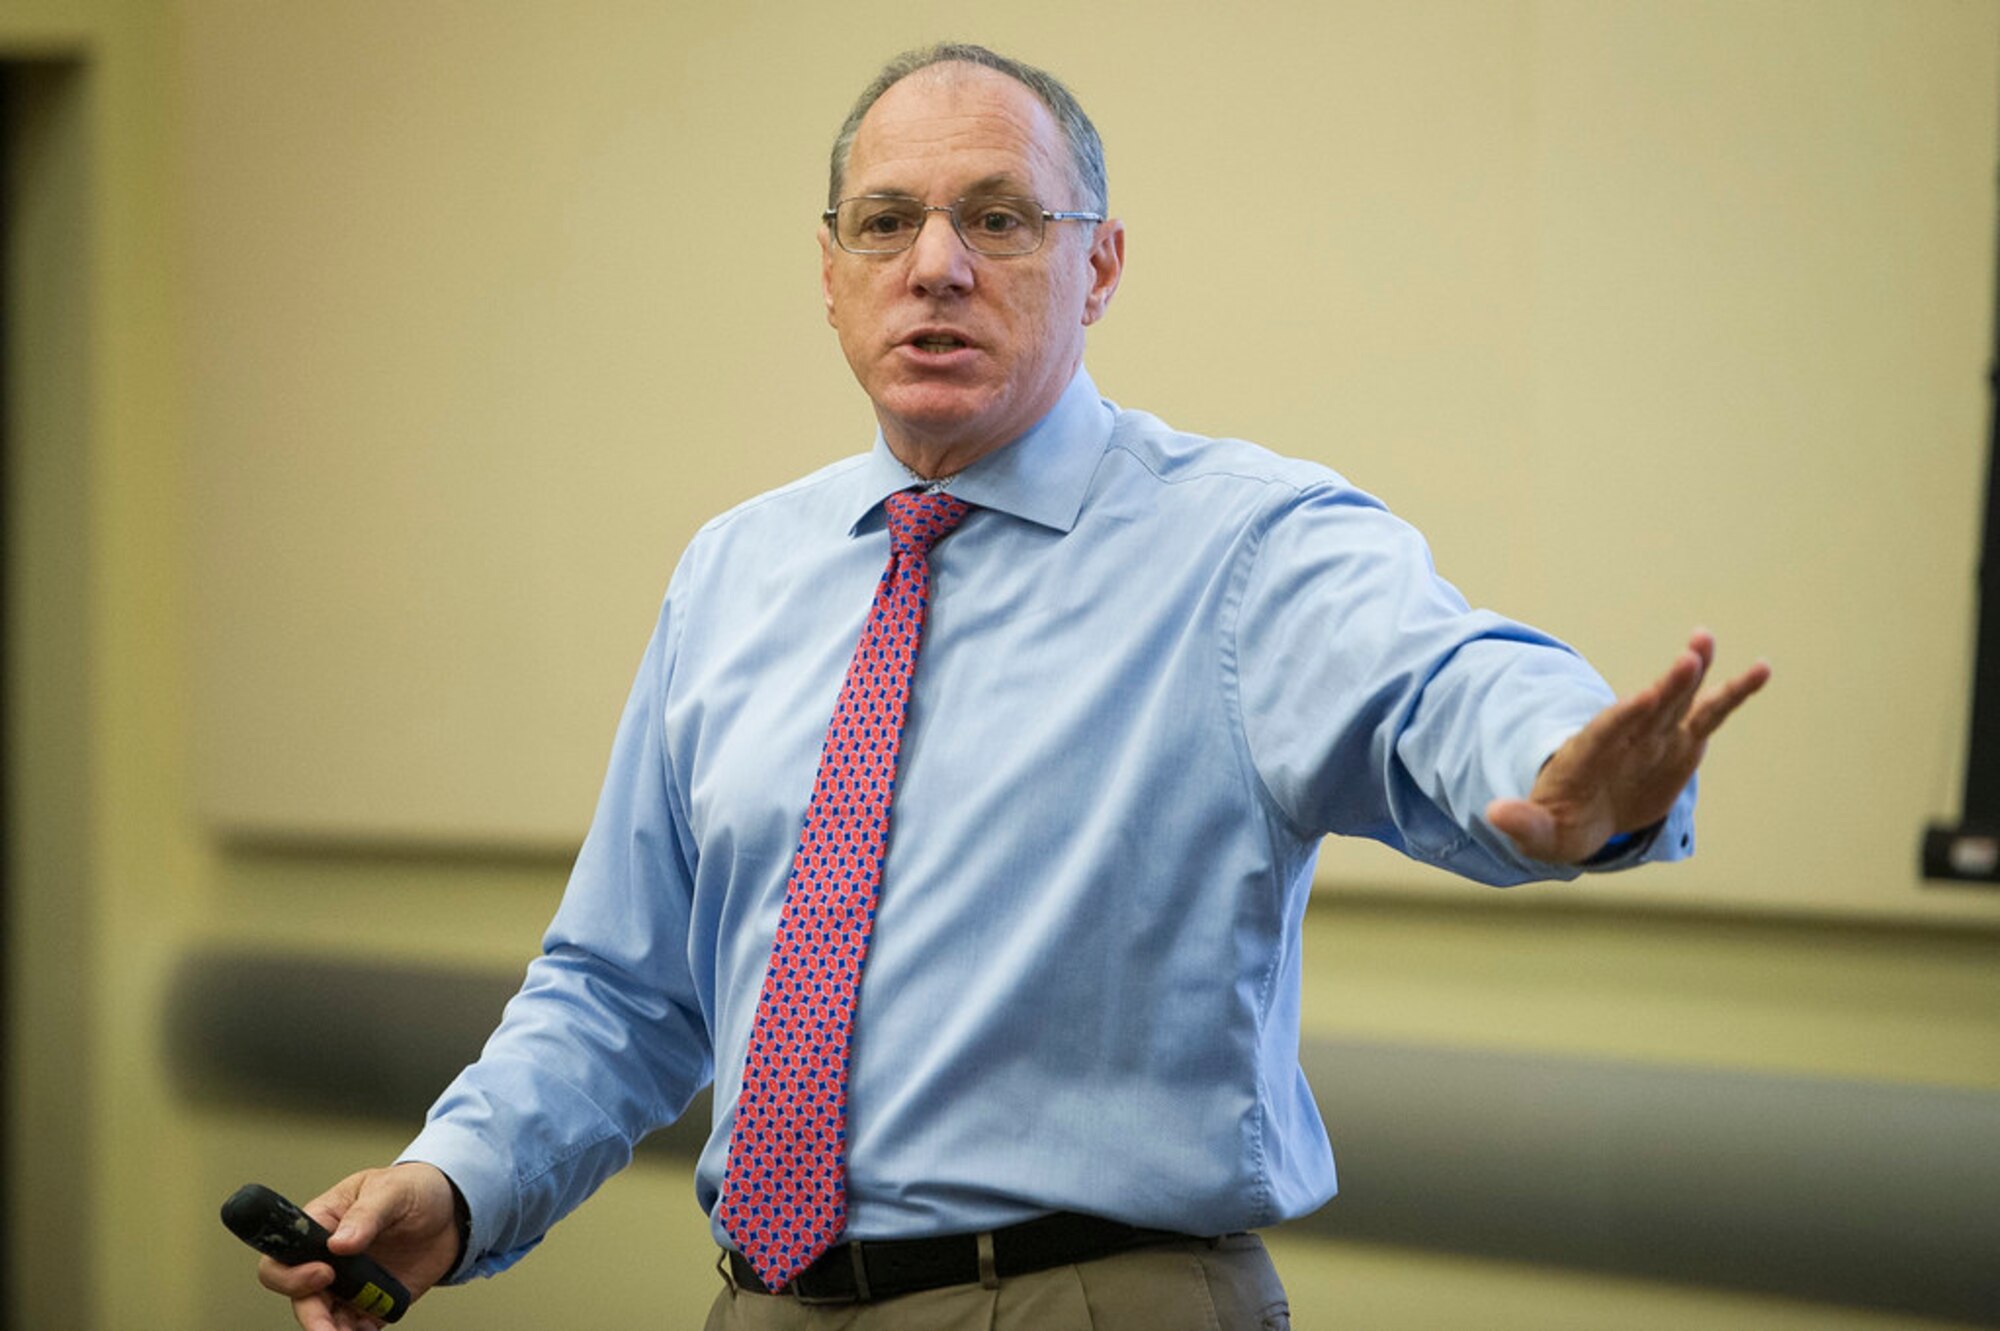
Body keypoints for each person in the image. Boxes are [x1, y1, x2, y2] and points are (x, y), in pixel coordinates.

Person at [256, 42, 1768, 1331]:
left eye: (999, 217)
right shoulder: (736, 572)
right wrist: (455, 1185)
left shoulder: (1244, 547)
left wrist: (1570, 770)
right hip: (761, 1303)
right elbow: (621, 988)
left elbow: (1442, 678)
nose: (937, 264)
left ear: (1098, 266)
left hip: (1090, 1299)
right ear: (831, 269)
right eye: (888, 222)